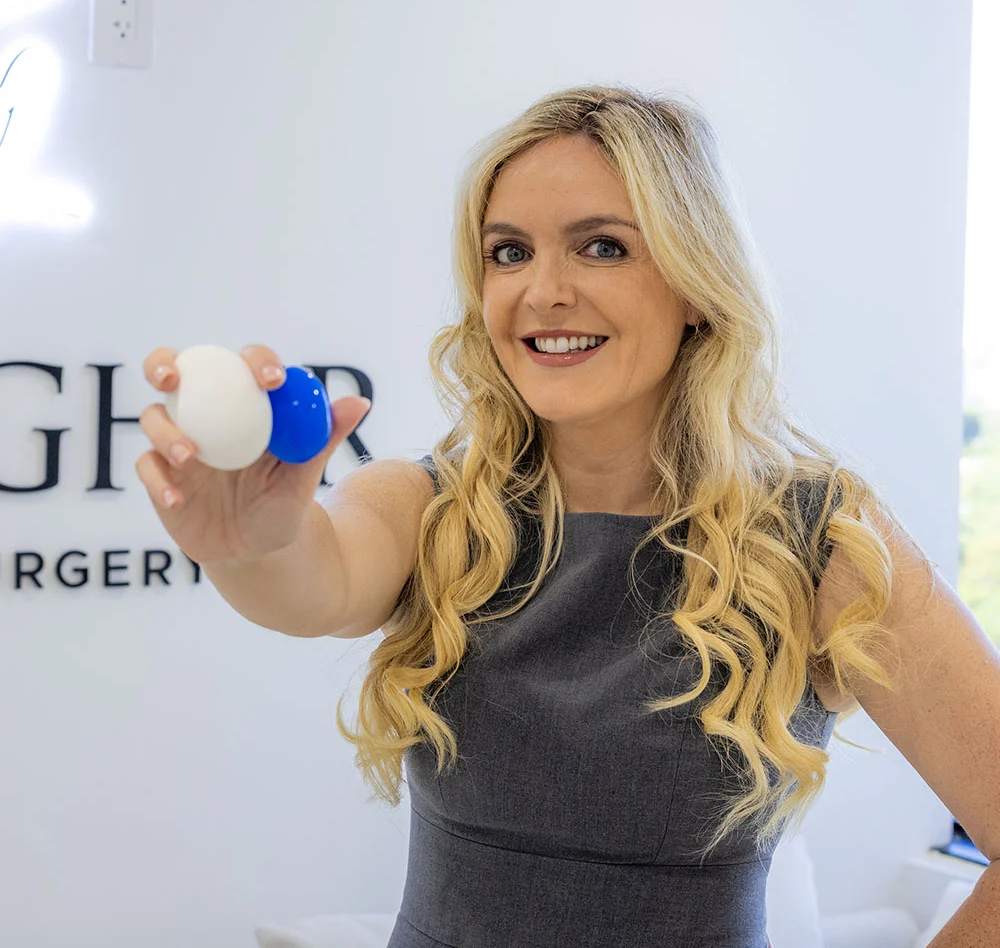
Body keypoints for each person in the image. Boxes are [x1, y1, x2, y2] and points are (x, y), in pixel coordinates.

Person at [136, 85, 937, 947]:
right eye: (508, 252)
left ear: (698, 281)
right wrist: (250, 543)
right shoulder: (435, 505)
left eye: (601, 246)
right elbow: (313, 581)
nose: (543, 291)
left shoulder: (821, 538)